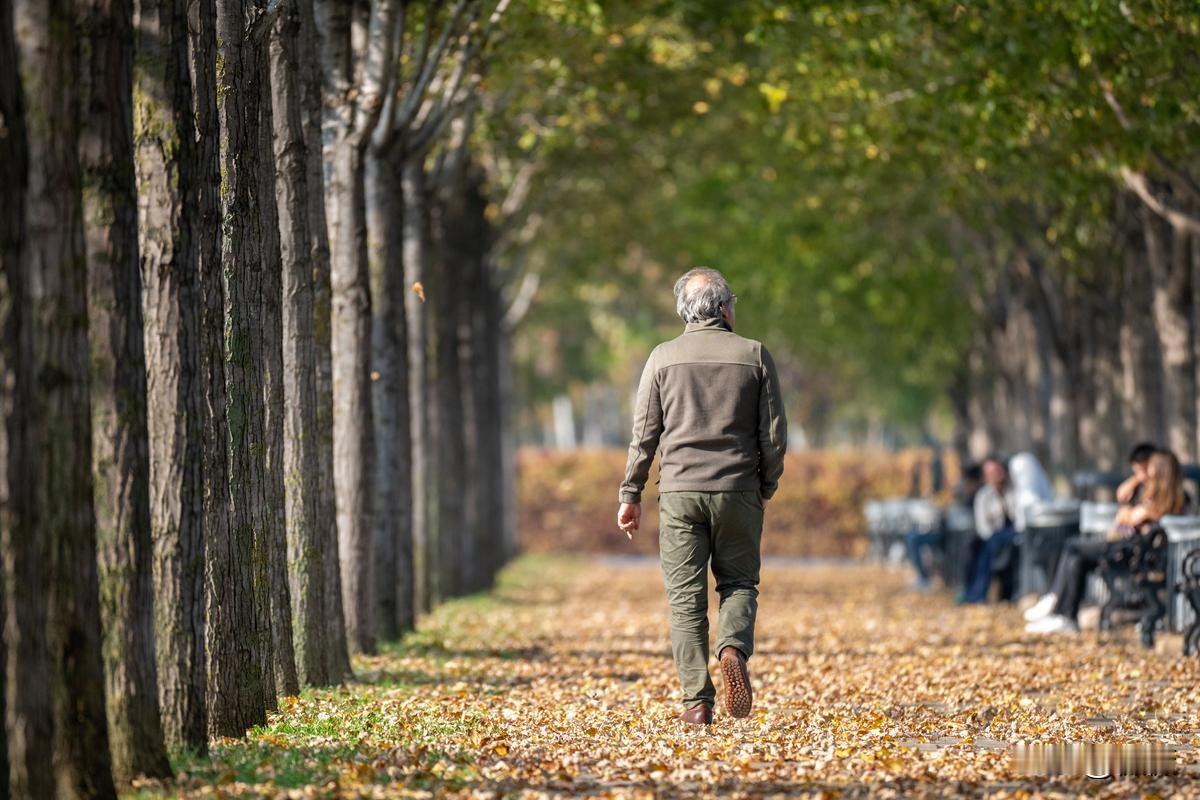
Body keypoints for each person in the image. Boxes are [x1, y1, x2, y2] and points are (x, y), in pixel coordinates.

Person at [615, 267, 787, 725]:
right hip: (738, 490)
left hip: (679, 492)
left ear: (683, 311)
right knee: (738, 584)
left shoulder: (662, 358)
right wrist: (765, 485)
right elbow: (773, 435)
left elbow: (644, 434)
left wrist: (630, 493)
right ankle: (731, 647)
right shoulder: (755, 355)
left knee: (685, 599)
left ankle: (697, 702)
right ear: (726, 308)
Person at [1026, 448, 1188, 634]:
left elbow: (1131, 516)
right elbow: (1124, 509)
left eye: (1150, 468)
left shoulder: (1163, 500)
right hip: (1132, 552)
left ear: (1160, 470)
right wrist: (1134, 488)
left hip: (1131, 554)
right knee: (1077, 559)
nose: (1146, 473)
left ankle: (1055, 598)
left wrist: (1131, 514)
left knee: (1073, 547)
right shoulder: (1161, 496)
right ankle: (1065, 616)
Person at [906, 463, 982, 591]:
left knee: (914, 539)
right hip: (946, 533)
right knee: (912, 536)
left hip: (953, 537)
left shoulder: (976, 495)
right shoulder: (960, 491)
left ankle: (924, 578)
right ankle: (923, 576)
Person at [960, 456, 1019, 604]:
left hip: (1014, 534)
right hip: (992, 537)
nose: (997, 475)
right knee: (980, 549)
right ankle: (976, 593)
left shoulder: (1014, 490)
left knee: (989, 549)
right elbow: (983, 527)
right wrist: (993, 539)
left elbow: (1018, 517)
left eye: (998, 471)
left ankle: (977, 594)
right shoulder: (983, 496)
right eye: (992, 473)